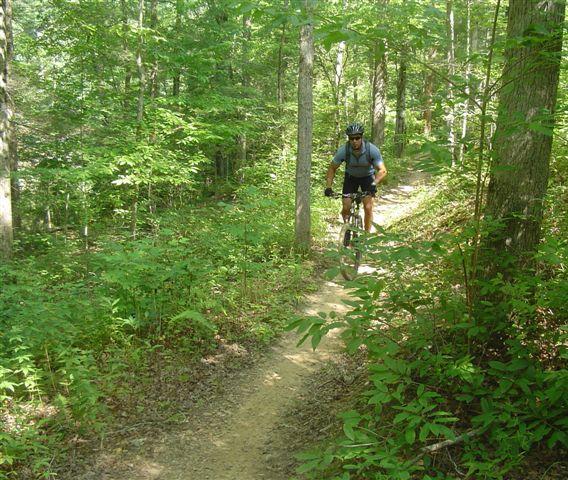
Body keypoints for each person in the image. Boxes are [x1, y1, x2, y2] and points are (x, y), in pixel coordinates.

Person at [324, 122, 387, 232]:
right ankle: (347, 228)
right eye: (351, 138)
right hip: (351, 178)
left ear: (361, 137)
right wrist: (328, 187)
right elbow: (332, 168)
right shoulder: (344, 151)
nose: (354, 141)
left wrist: (374, 184)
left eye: (357, 138)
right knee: (346, 207)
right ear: (349, 139)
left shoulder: (372, 150)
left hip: (367, 178)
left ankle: (366, 236)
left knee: (368, 207)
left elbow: (383, 170)